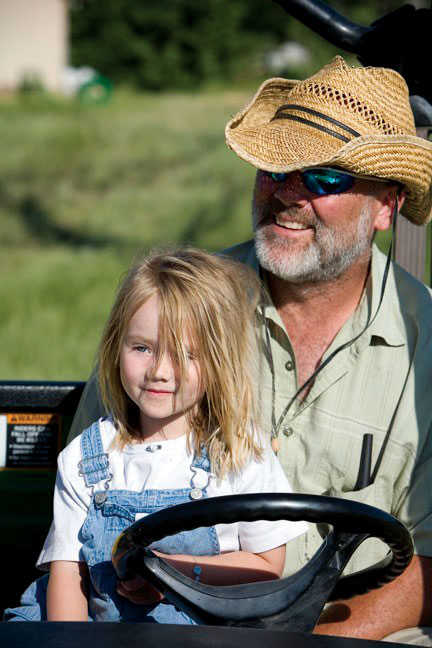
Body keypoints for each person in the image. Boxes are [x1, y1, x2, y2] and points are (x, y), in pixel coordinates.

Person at [67, 57, 432, 642]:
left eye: (324, 178)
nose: (288, 193)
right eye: (273, 170)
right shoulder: (178, 304)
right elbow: (88, 491)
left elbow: (428, 567)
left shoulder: (428, 345)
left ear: (386, 206)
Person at [4, 248, 307, 622]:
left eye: (184, 354)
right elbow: (69, 575)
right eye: (142, 348)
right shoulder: (86, 458)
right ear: (117, 347)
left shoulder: (241, 451)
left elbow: (265, 564)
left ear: (218, 360)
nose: (159, 371)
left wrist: (174, 573)